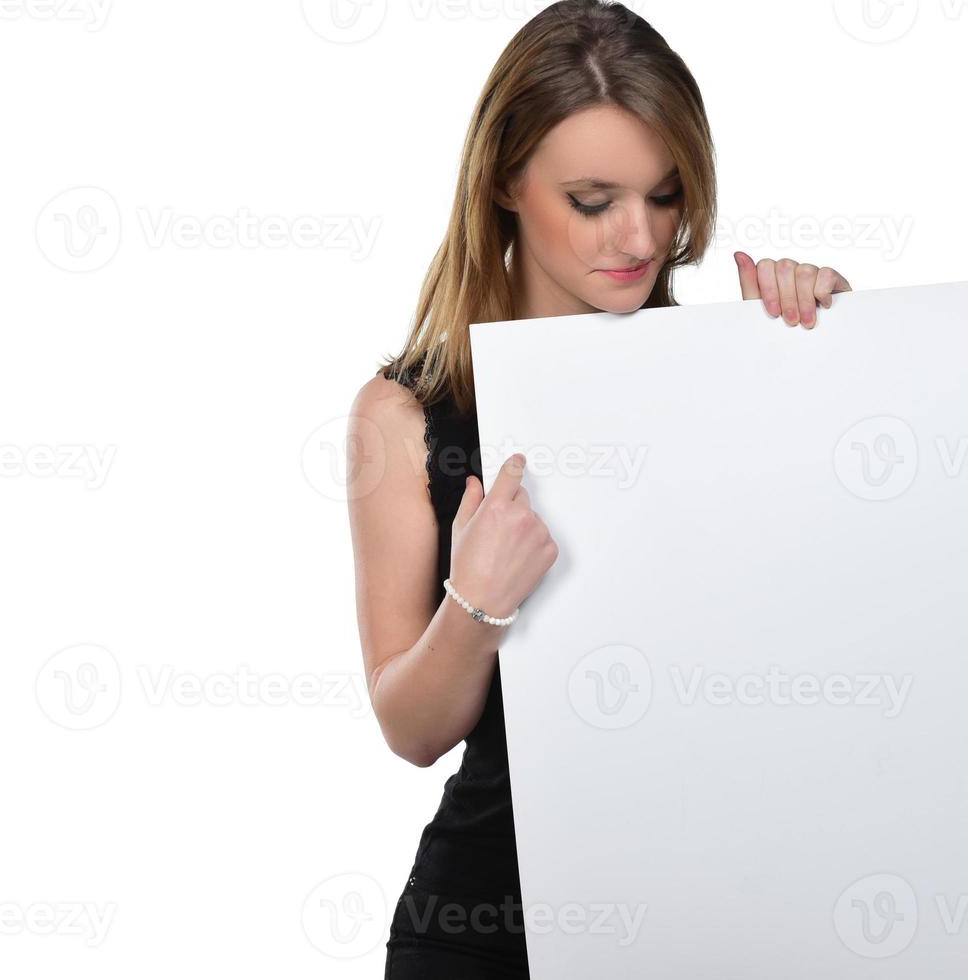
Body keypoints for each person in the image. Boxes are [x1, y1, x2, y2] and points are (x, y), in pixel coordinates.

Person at [346, 1, 853, 975]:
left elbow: (852, 636)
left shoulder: (732, 369)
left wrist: (819, 373)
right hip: (485, 926)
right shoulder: (403, 413)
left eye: (664, 196)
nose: (639, 235)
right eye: (592, 199)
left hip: (716, 909)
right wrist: (476, 604)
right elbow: (409, 729)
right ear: (502, 181)